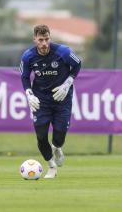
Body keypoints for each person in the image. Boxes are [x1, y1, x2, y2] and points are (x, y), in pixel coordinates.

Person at [19, 24, 81, 179]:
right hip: (41, 101)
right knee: (41, 135)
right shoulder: (28, 56)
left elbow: (77, 64)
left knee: (59, 135)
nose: (44, 43)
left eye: (46, 39)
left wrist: (67, 83)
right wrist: (29, 94)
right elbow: (25, 76)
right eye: (40, 40)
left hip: (62, 99)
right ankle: (51, 167)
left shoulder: (63, 52)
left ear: (50, 38)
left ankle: (57, 147)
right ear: (35, 40)